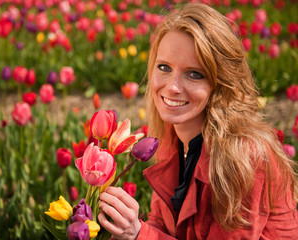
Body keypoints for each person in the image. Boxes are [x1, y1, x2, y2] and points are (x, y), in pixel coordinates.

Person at [98, 3, 298, 240]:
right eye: (164, 67)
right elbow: (160, 225)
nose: (172, 87)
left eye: (194, 74)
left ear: (220, 83)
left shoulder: (246, 158)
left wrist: (138, 234)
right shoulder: (172, 138)